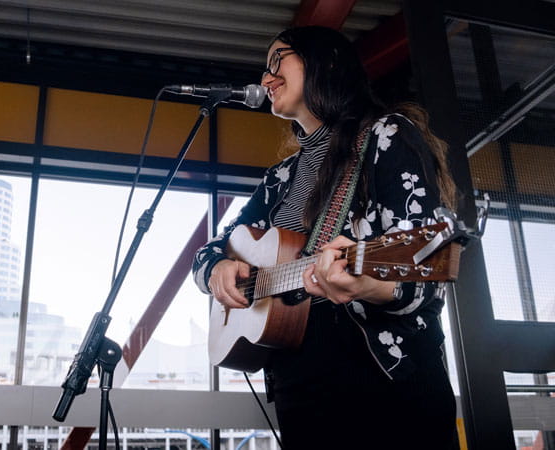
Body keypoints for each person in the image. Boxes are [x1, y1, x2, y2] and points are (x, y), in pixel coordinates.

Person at [193, 26, 460, 449]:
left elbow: (427, 267)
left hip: (385, 382)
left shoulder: (387, 136)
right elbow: (209, 250)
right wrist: (218, 270)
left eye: (278, 60)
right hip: (299, 387)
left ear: (328, 62)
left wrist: (369, 284)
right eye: (265, 69)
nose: (266, 78)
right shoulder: (280, 177)